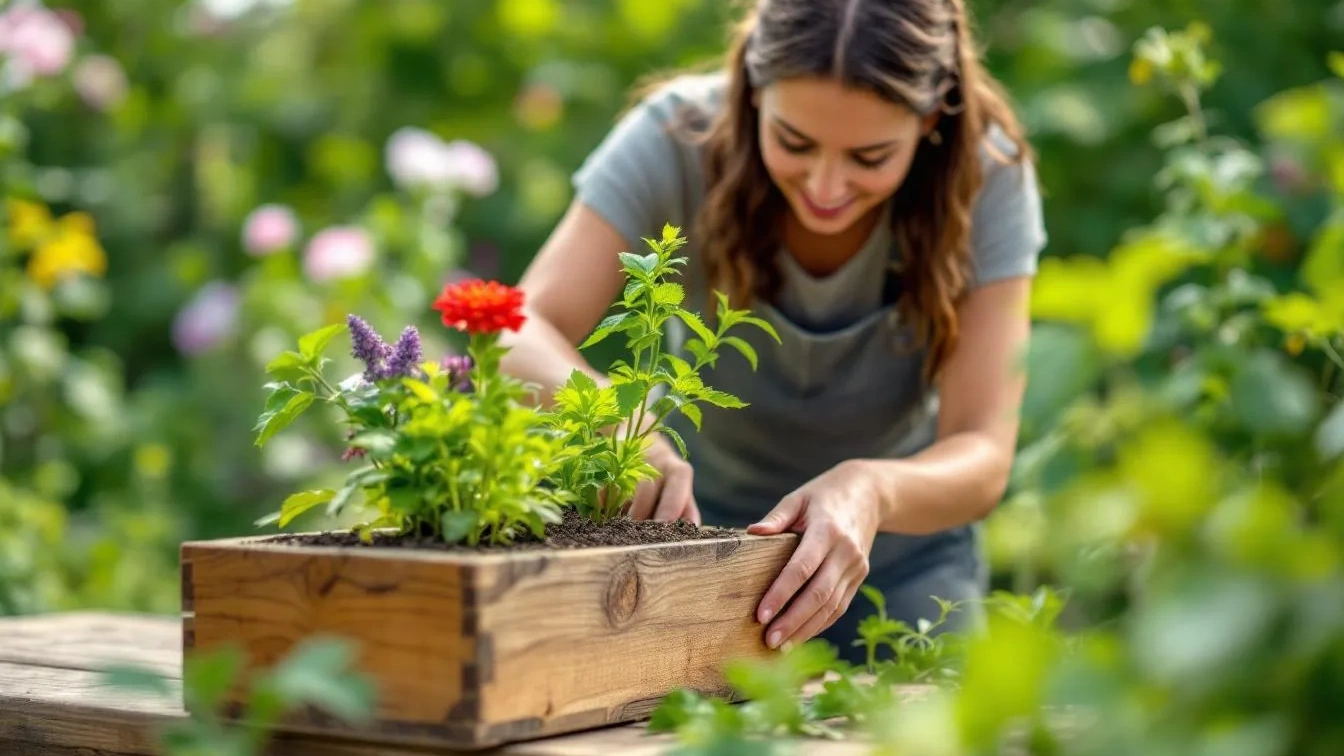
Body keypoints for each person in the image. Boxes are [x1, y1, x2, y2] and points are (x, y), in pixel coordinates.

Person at [498, 0, 1046, 662]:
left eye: (870, 156)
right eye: (794, 142)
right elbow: (513, 330)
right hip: (702, 564)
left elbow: (982, 452)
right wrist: (615, 421)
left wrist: (869, 491)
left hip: (904, 575)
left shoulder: (987, 174)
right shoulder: (678, 136)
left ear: (930, 119)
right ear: (755, 95)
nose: (826, 185)